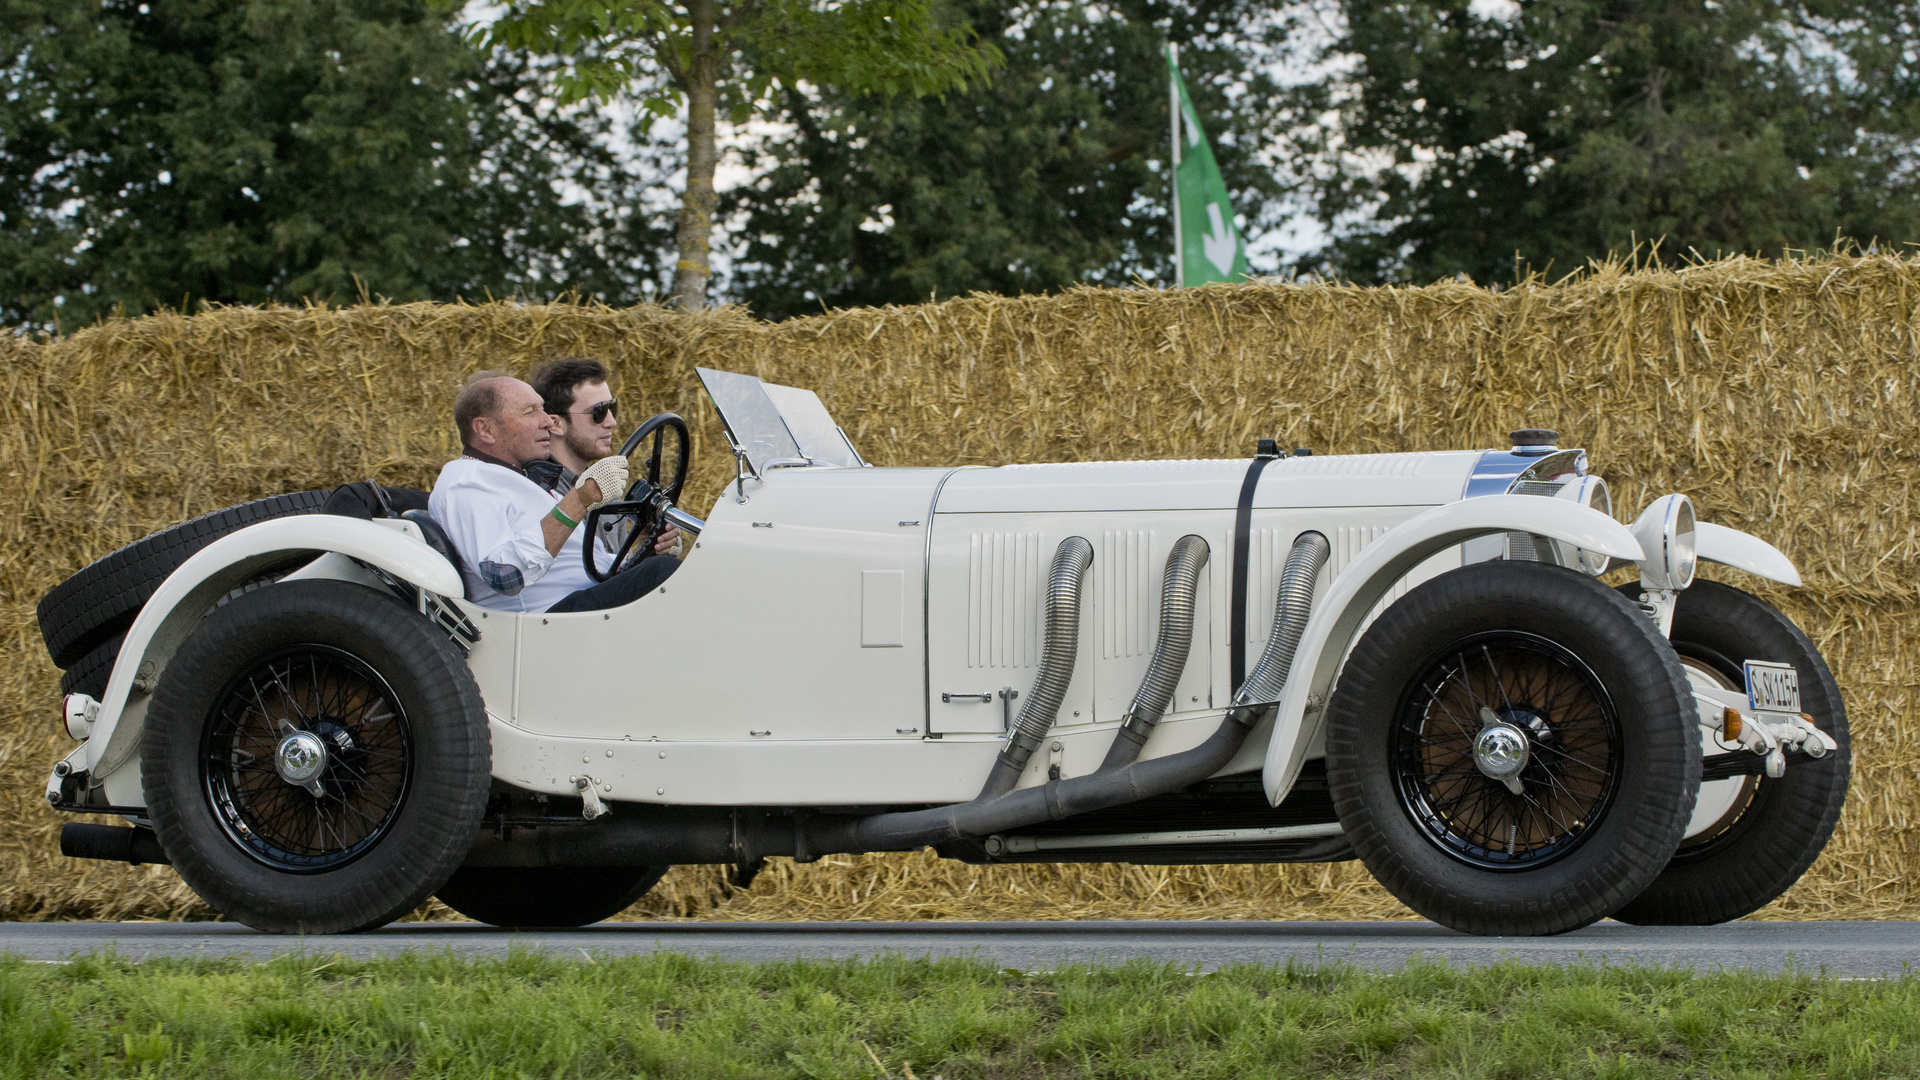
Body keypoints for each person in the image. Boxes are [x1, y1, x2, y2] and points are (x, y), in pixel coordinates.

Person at [428, 372, 678, 614]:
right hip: (546, 621)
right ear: (485, 430)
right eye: (530, 412)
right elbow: (505, 574)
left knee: (684, 571)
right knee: (662, 573)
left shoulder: (520, 481)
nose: (547, 421)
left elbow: (588, 568)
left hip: (583, 605)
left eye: (543, 408)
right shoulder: (468, 481)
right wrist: (583, 497)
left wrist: (645, 549)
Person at [527, 357, 682, 559]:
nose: (612, 422)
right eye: (598, 412)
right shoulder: (541, 491)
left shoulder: (608, 489)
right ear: (555, 424)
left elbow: (609, 575)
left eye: (612, 408)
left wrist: (646, 550)